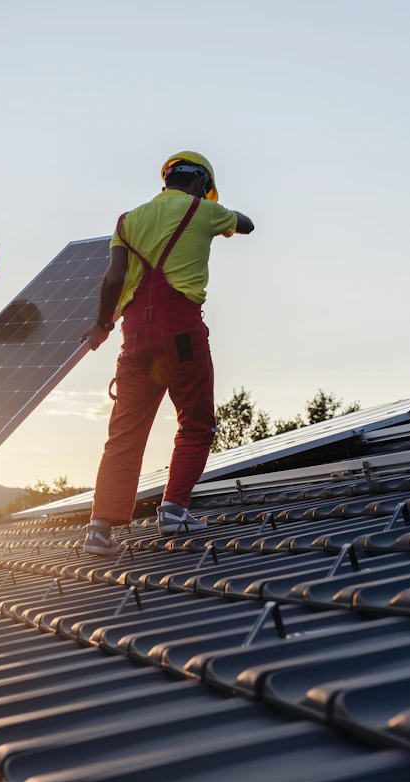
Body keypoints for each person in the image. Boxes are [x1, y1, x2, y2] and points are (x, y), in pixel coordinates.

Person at [80, 152, 254, 555]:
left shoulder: (127, 220)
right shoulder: (205, 210)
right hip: (181, 334)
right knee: (196, 422)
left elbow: (113, 279)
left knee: (123, 433)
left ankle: (99, 528)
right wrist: (217, 211)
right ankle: (174, 510)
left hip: (134, 336)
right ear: (198, 183)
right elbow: (247, 224)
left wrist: (103, 324)